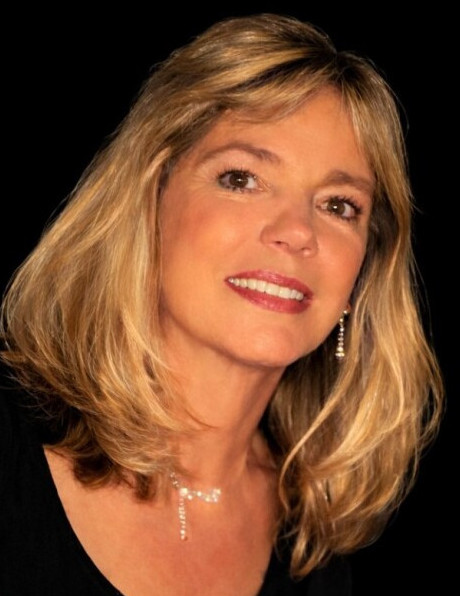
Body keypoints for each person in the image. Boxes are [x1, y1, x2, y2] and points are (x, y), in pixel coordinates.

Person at [0, 12, 443, 596]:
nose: (297, 232)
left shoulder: (314, 548)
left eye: (338, 205)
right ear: (149, 199)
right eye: (242, 179)